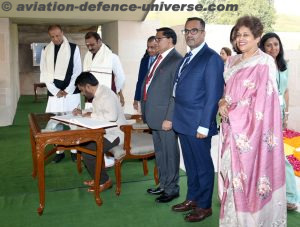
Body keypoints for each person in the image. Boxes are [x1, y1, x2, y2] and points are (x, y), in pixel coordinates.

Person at [218, 16, 286, 226]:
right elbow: (227, 91)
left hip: (251, 131)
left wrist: (235, 112)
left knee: (249, 175)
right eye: (238, 34)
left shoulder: (264, 62)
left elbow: (264, 102)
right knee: (231, 174)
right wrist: (221, 102)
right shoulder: (232, 61)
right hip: (230, 127)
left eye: (246, 34)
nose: (240, 38)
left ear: (257, 37)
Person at [172, 17, 224, 222]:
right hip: (183, 121)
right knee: (191, 165)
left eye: (195, 30)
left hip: (198, 123)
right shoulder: (187, 57)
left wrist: (204, 124)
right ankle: (192, 198)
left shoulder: (211, 58)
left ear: (203, 33)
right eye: (187, 30)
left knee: (203, 166)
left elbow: (213, 95)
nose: (190, 34)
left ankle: (204, 205)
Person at [141, 27, 182, 203]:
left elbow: (176, 92)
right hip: (154, 115)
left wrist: (169, 118)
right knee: (160, 153)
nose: (155, 42)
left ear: (170, 40)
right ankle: (164, 184)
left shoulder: (176, 60)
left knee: (169, 154)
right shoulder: (158, 58)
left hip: (165, 118)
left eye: (159, 39)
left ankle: (172, 189)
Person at [260, 32, 300, 211]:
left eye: (276, 44)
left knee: (280, 155)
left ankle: (291, 196)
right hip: (264, 115)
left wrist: (286, 114)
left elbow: (285, 91)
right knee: (264, 155)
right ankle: (266, 193)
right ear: (263, 47)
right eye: (269, 45)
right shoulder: (261, 65)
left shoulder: (284, 66)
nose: (273, 48)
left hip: (277, 114)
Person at [72, 72, 127, 192]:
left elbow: (111, 116)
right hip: (105, 132)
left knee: (89, 150)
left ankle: (104, 181)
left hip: (116, 134)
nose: (82, 93)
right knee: (85, 146)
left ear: (88, 86)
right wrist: (83, 112)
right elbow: (99, 110)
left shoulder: (106, 95)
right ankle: (98, 178)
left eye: (82, 90)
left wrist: (90, 115)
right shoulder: (100, 93)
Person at [40, 24, 82, 163]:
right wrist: (55, 91)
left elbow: (77, 71)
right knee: (55, 124)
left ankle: (75, 151)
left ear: (62, 33)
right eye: (52, 37)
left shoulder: (74, 48)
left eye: (58, 35)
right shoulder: (46, 49)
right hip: (55, 93)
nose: (55, 39)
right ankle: (59, 151)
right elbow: (44, 72)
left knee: (73, 123)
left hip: (71, 92)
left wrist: (68, 89)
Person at [133, 36, 158, 111]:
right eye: (148, 47)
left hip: (157, 99)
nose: (149, 50)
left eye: (152, 47)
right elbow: (140, 80)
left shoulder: (162, 60)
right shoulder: (144, 60)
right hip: (144, 98)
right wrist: (136, 99)